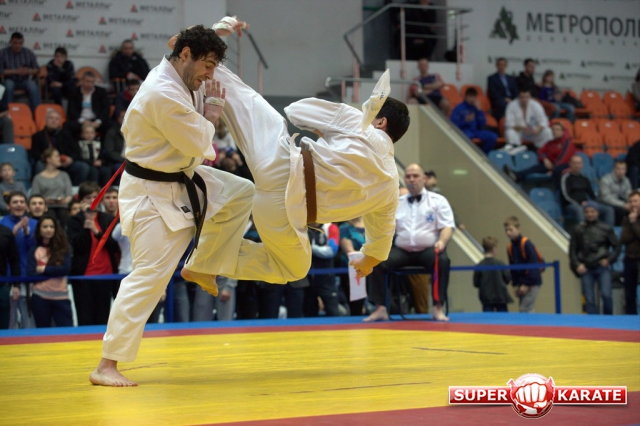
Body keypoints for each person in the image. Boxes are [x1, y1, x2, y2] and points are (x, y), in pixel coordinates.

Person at [179, 17, 410, 290]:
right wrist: (367, 261)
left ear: (380, 121)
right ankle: (205, 263)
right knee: (294, 268)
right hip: (286, 214)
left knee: (247, 101)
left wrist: (327, 131)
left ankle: (191, 51)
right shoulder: (391, 186)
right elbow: (381, 238)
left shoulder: (359, 123)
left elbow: (296, 111)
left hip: (281, 169)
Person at [90, 24, 256, 387]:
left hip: (182, 176)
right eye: (208, 65)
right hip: (151, 192)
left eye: (213, 67)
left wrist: (219, 29)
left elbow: (176, 40)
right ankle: (106, 365)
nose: (210, 75)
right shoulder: (162, 92)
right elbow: (200, 144)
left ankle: (203, 265)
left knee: (242, 192)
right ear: (186, 56)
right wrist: (212, 111)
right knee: (148, 278)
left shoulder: (179, 65)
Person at [364, 163, 455, 322]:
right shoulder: (396, 202)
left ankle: (437, 308)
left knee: (442, 261)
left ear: (424, 179)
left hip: (428, 249)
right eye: (408, 176)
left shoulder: (438, 201)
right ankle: (381, 308)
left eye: (415, 176)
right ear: (404, 179)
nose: (412, 179)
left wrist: (442, 242)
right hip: (402, 251)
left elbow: (447, 226)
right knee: (375, 260)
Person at [67, 182, 120, 327]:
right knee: (85, 320)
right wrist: (87, 225)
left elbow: (114, 246)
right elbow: (78, 247)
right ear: (81, 200)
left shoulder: (108, 219)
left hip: (106, 276)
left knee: (103, 319)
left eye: (95, 197)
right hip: (83, 277)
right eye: (88, 198)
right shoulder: (74, 221)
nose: (92, 201)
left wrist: (96, 232)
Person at [569, 201, 620, 315]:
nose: (590, 214)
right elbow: (572, 250)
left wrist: (609, 260)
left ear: (597, 213)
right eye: (587, 212)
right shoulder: (578, 229)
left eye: (592, 211)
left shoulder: (606, 228)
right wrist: (577, 264)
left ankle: (609, 321)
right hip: (586, 268)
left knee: (606, 295)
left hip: (602, 267)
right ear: (584, 213)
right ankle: (592, 323)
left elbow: (617, 247)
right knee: (589, 299)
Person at [26, 215, 73, 327]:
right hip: (40, 297)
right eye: (45, 226)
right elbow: (31, 274)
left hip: (61, 297)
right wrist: (55, 272)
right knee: (42, 332)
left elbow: (66, 269)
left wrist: (44, 269)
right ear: (39, 229)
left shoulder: (63, 249)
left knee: (67, 332)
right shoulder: (34, 250)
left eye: (51, 227)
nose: (48, 229)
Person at [0, 191, 37, 328]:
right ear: (8, 206)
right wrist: (11, 235)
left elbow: (37, 249)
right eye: (15, 202)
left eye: (22, 202)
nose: (19, 205)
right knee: (9, 320)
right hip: (7, 278)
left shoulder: (35, 224)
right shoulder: (2, 225)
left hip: (29, 275)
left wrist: (27, 234)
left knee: (30, 320)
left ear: (26, 205)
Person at [31, 109, 96, 185]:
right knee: (39, 164)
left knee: (83, 167)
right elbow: (35, 154)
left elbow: (77, 152)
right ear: (46, 120)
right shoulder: (37, 136)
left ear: (59, 121)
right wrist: (50, 159)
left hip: (65, 163)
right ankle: (43, 188)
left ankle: (74, 190)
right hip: (48, 163)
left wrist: (70, 159)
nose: (54, 121)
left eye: (56, 119)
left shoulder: (67, 135)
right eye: (51, 118)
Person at [503, 122, 577, 187]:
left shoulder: (567, 142)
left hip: (563, 166)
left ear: (562, 131)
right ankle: (517, 175)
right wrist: (544, 159)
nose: (555, 132)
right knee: (536, 168)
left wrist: (553, 169)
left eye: (557, 130)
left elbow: (563, 157)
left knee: (557, 170)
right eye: (553, 130)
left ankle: (559, 192)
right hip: (550, 165)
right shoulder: (550, 143)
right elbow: (540, 152)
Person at [561, 155, 615, 226]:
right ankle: (584, 230)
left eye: (578, 163)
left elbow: (591, 194)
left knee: (608, 209)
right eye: (574, 163)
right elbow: (566, 196)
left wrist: (593, 203)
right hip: (571, 205)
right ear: (570, 164)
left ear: (582, 165)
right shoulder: (565, 178)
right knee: (579, 209)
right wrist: (580, 203)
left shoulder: (584, 178)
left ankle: (608, 230)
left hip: (586, 204)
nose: (576, 166)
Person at [504, 216, 542, 313]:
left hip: (532, 281)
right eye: (506, 230)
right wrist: (515, 285)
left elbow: (533, 265)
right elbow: (513, 268)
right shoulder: (510, 247)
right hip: (521, 282)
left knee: (524, 309)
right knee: (526, 309)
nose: (508, 233)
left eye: (510, 230)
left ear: (518, 229)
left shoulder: (526, 244)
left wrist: (526, 284)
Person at [303, 223, 341, 317]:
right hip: (307, 279)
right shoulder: (301, 227)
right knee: (309, 313)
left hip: (326, 279)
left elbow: (331, 251)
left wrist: (309, 247)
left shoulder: (330, 227)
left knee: (333, 312)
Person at [30, 148, 73, 227]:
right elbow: (35, 195)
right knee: (49, 215)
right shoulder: (38, 178)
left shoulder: (64, 175)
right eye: (56, 156)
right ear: (48, 159)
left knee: (64, 215)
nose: (59, 158)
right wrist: (45, 200)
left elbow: (69, 194)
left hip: (62, 206)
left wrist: (64, 200)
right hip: (46, 206)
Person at [503, 88, 553, 154]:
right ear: (518, 97)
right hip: (519, 131)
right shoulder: (512, 105)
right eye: (522, 97)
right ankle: (515, 152)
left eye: (526, 97)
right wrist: (522, 127)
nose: (524, 99)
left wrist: (538, 128)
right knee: (510, 132)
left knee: (547, 131)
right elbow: (509, 123)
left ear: (530, 97)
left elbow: (544, 120)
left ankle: (543, 152)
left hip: (533, 131)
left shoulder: (536, 105)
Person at [0, 32, 41, 111]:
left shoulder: (28, 53)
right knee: (9, 85)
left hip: (24, 80)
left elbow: (37, 69)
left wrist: (28, 71)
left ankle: (36, 113)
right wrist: (15, 71)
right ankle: (8, 112)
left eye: (20, 43)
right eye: (15, 43)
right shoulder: (3, 53)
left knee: (32, 85)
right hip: (9, 80)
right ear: (11, 42)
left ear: (23, 42)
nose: (18, 45)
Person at [450, 87, 497, 153]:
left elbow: (482, 123)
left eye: (473, 97)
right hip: (464, 131)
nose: (472, 99)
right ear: (466, 97)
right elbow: (453, 124)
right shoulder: (458, 108)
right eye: (470, 96)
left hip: (476, 131)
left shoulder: (476, 108)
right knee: (467, 137)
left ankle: (482, 154)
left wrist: (479, 110)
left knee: (493, 136)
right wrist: (465, 121)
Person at [474, 236, 513, 312]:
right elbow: (508, 279)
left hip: (486, 298)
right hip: (501, 297)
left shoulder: (479, 265)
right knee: (503, 318)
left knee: (487, 318)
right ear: (494, 249)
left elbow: (476, 283)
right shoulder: (500, 263)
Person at [66, 71, 110, 137]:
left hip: (96, 120)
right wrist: (82, 121)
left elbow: (106, 109)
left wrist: (98, 121)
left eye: (92, 82)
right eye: (87, 81)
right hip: (80, 120)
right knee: (67, 126)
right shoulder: (74, 92)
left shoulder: (101, 92)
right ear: (82, 81)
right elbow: (71, 110)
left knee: (112, 125)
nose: (90, 84)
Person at [339, 217, 367, 316]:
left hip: (372, 268)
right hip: (352, 270)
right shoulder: (345, 228)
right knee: (356, 306)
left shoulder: (371, 225)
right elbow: (350, 252)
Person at [619, 190, 640, 315]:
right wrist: (632, 222)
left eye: (635, 201)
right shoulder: (627, 219)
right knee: (629, 292)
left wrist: (634, 223)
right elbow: (623, 239)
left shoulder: (631, 220)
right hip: (629, 258)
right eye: (631, 201)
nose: (633, 204)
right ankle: (630, 317)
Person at [599, 160, 632, 226]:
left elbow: (629, 194)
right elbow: (606, 198)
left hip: (620, 201)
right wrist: (623, 204)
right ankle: (618, 228)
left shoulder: (626, 180)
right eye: (618, 168)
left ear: (625, 171)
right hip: (605, 202)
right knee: (621, 210)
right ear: (614, 169)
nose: (620, 171)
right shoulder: (605, 180)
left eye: (623, 169)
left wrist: (631, 203)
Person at [0, 224, 20, 329]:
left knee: (3, 324)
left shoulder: (6, 232)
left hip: (1, 285)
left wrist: (17, 284)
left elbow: (14, 260)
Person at [102, 109, 126, 180]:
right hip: (117, 162)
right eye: (122, 117)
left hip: (132, 161)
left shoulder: (135, 133)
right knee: (123, 168)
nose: (125, 119)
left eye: (126, 117)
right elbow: (109, 152)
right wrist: (124, 160)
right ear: (118, 118)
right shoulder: (112, 132)